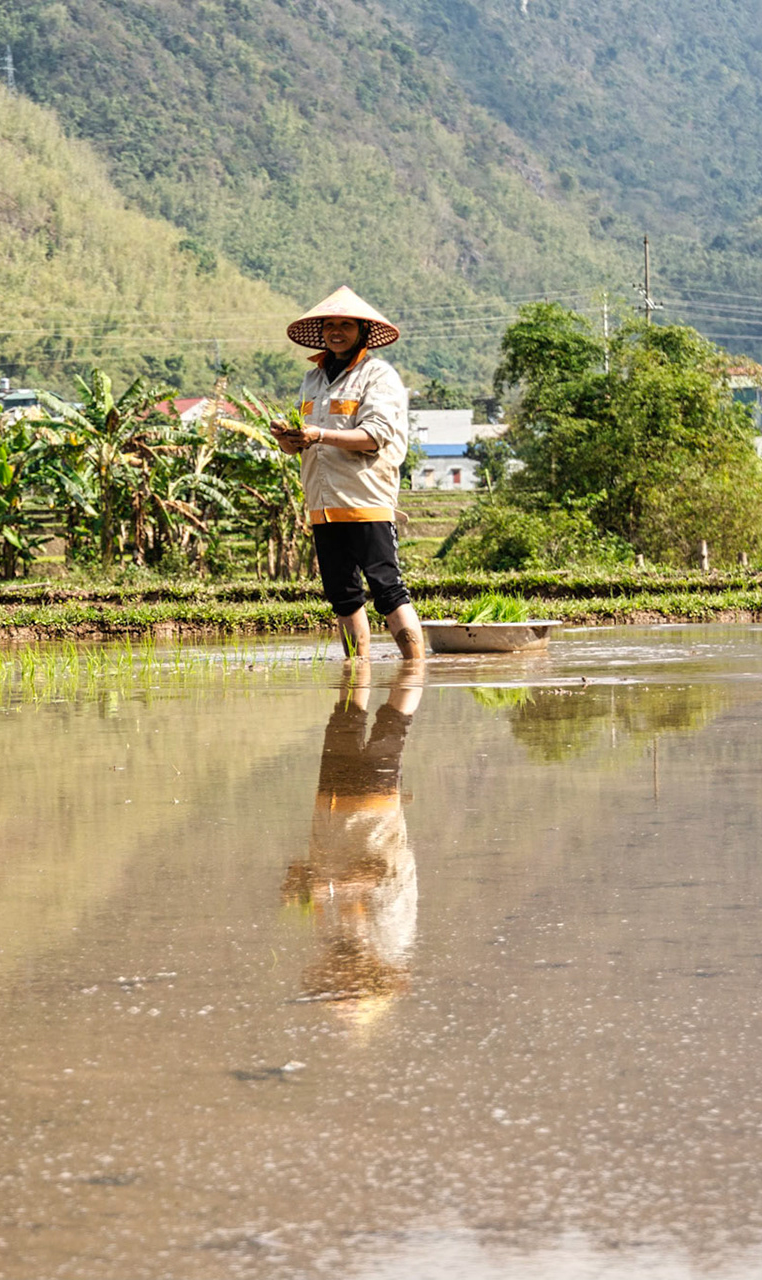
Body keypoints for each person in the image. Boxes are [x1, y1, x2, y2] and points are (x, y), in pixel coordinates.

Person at [270, 287, 425, 660]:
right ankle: (357, 678)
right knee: (342, 595)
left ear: (363, 332)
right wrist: (288, 439)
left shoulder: (378, 377)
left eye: (345, 325)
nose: (336, 331)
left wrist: (319, 434)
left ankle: (415, 672)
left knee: (388, 590)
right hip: (322, 504)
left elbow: (374, 437)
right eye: (330, 325)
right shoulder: (313, 380)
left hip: (364, 499)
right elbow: (300, 444)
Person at [280, 659, 423, 1027]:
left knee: (345, 718)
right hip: (372, 808)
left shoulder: (333, 939)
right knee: (393, 719)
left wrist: (301, 880)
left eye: (332, 984)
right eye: (342, 985)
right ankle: (414, 664)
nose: (331, 975)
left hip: (332, 805)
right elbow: (378, 875)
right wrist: (322, 887)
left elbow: (326, 879)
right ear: (370, 976)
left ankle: (369, 667)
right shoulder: (391, 937)